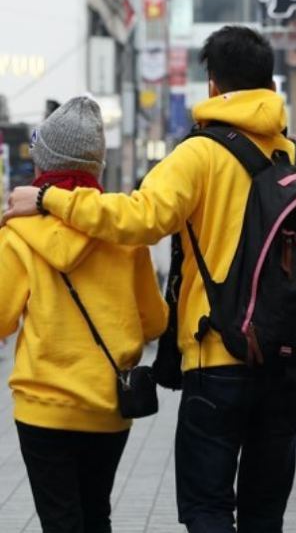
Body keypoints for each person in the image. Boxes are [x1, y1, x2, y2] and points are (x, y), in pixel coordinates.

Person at [4, 26, 296, 533]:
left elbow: (139, 218)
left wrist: (50, 200)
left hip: (217, 360)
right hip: (289, 368)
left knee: (207, 509)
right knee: (264, 513)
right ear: (269, 84)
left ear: (212, 85)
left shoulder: (200, 154)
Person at [0, 96, 167, 533]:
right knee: (97, 514)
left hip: (42, 408)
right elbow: (153, 321)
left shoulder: (18, 233)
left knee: (60, 520)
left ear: (42, 164)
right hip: (109, 407)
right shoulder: (125, 236)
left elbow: (1, 317)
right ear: (97, 166)